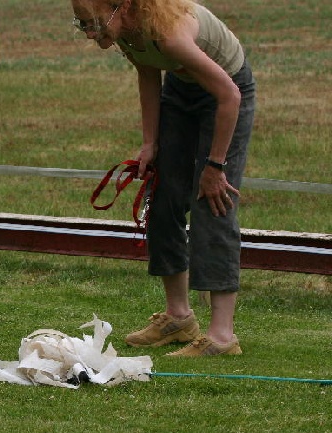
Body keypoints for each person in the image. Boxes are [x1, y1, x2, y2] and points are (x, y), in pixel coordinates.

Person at [70, 0, 256, 356]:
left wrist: (215, 167)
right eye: (82, 25)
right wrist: (150, 143)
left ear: (122, 8)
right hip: (181, 90)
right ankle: (179, 318)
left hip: (227, 93)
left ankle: (222, 336)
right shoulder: (126, 31)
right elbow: (148, 74)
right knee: (163, 194)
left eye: (94, 23)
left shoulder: (170, 35)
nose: (92, 34)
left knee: (212, 201)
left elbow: (229, 95)